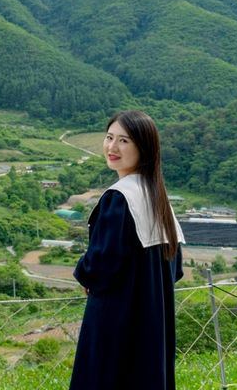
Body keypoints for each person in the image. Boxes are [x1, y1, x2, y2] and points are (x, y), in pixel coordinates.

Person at [69, 110, 185, 390]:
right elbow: (176, 268)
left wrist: (84, 275)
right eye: (110, 137)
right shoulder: (158, 197)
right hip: (153, 321)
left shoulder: (119, 198)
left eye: (124, 141)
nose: (112, 147)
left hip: (116, 319)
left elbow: (100, 264)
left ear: (143, 148)